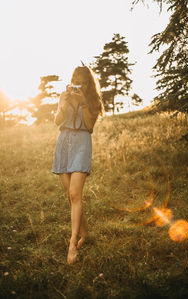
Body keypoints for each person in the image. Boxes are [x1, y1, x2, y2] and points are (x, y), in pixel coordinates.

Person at [52, 65, 103, 264]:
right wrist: (64, 106)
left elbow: (90, 126)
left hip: (82, 143)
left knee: (75, 194)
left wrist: (83, 103)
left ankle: (72, 243)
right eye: (76, 81)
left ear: (88, 83)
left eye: (83, 81)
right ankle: (84, 234)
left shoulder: (94, 100)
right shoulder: (64, 95)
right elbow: (57, 121)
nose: (79, 85)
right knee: (70, 195)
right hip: (63, 142)